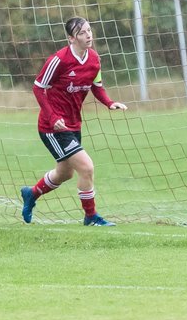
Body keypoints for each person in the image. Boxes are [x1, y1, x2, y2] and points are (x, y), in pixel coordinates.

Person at [20, 16, 127, 226]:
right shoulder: (59, 60)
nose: (88, 35)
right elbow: (38, 87)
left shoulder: (94, 59)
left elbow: (96, 85)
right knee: (86, 167)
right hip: (52, 127)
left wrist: (109, 102)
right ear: (71, 38)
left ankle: (31, 194)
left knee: (65, 173)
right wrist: (53, 117)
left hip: (73, 124)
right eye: (82, 33)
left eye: (89, 30)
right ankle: (91, 216)